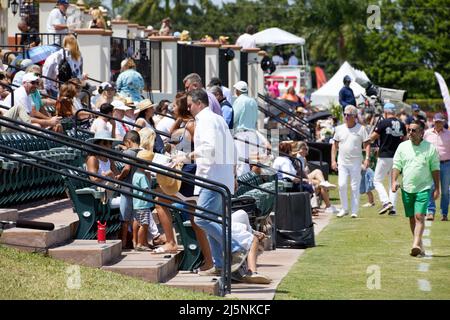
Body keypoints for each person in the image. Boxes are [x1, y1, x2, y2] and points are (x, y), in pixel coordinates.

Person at [173, 88, 247, 276]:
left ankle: (236, 247)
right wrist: (233, 174)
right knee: (210, 220)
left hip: (211, 178)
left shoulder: (205, 120)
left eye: (190, 105)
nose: (188, 109)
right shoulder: (219, 119)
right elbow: (232, 149)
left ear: (199, 103)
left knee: (201, 219)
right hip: (221, 177)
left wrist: (186, 156)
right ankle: (220, 264)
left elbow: (209, 149)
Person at [392, 120, 440, 256]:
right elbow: (396, 165)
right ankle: (420, 245)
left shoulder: (430, 148)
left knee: (419, 216)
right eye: (409, 130)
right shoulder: (402, 147)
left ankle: (415, 244)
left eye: (414, 130)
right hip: (406, 188)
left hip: (424, 187)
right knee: (412, 218)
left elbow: (435, 169)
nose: (410, 133)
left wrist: (437, 188)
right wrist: (394, 181)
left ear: (421, 133)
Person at [331, 105, 370, 218]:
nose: (346, 116)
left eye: (349, 115)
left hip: (356, 162)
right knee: (341, 185)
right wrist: (333, 161)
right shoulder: (339, 129)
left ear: (354, 116)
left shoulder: (361, 129)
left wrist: (367, 158)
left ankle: (354, 210)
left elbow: (367, 144)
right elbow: (334, 146)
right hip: (342, 162)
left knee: (354, 186)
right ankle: (344, 208)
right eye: (345, 114)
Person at [367, 102, 406, 215]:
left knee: (377, 180)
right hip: (397, 157)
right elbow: (404, 140)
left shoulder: (383, 123)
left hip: (385, 156)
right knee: (392, 182)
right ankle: (393, 209)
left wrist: (366, 139)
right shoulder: (402, 124)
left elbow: (373, 138)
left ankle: (385, 202)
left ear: (385, 112)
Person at [115, 130, 141, 249]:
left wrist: (119, 178)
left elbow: (126, 169)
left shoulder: (129, 152)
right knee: (136, 217)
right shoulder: (142, 152)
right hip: (138, 188)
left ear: (128, 142)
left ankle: (124, 243)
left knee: (124, 218)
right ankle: (136, 242)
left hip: (127, 187)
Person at [296, 141, 338, 214]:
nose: (306, 150)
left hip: (306, 176)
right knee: (318, 175)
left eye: (306, 148)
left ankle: (328, 205)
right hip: (300, 178)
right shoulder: (297, 158)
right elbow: (299, 173)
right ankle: (328, 206)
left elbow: (307, 172)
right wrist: (308, 179)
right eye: (304, 149)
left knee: (320, 182)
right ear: (300, 149)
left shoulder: (304, 159)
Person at [423, 113, 450, 221]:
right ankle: (430, 211)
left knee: (445, 191)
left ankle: (444, 213)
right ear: (433, 121)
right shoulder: (427, 134)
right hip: (431, 165)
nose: (438, 123)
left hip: (446, 164)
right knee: (431, 188)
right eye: (437, 121)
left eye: (440, 121)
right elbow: (423, 148)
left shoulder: (448, 134)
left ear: (443, 122)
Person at [232, 81, 260, 176]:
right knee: (252, 162)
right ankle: (251, 183)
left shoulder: (239, 100)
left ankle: (242, 185)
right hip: (252, 133)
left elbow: (234, 117)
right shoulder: (253, 101)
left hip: (242, 134)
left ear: (238, 90)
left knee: (242, 161)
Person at [132, 149, 157, 251]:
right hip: (143, 204)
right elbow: (147, 189)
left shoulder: (137, 174)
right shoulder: (142, 176)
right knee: (144, 225)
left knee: (142, 223)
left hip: (139, 204)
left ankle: (144, 243)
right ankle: (140, 244)